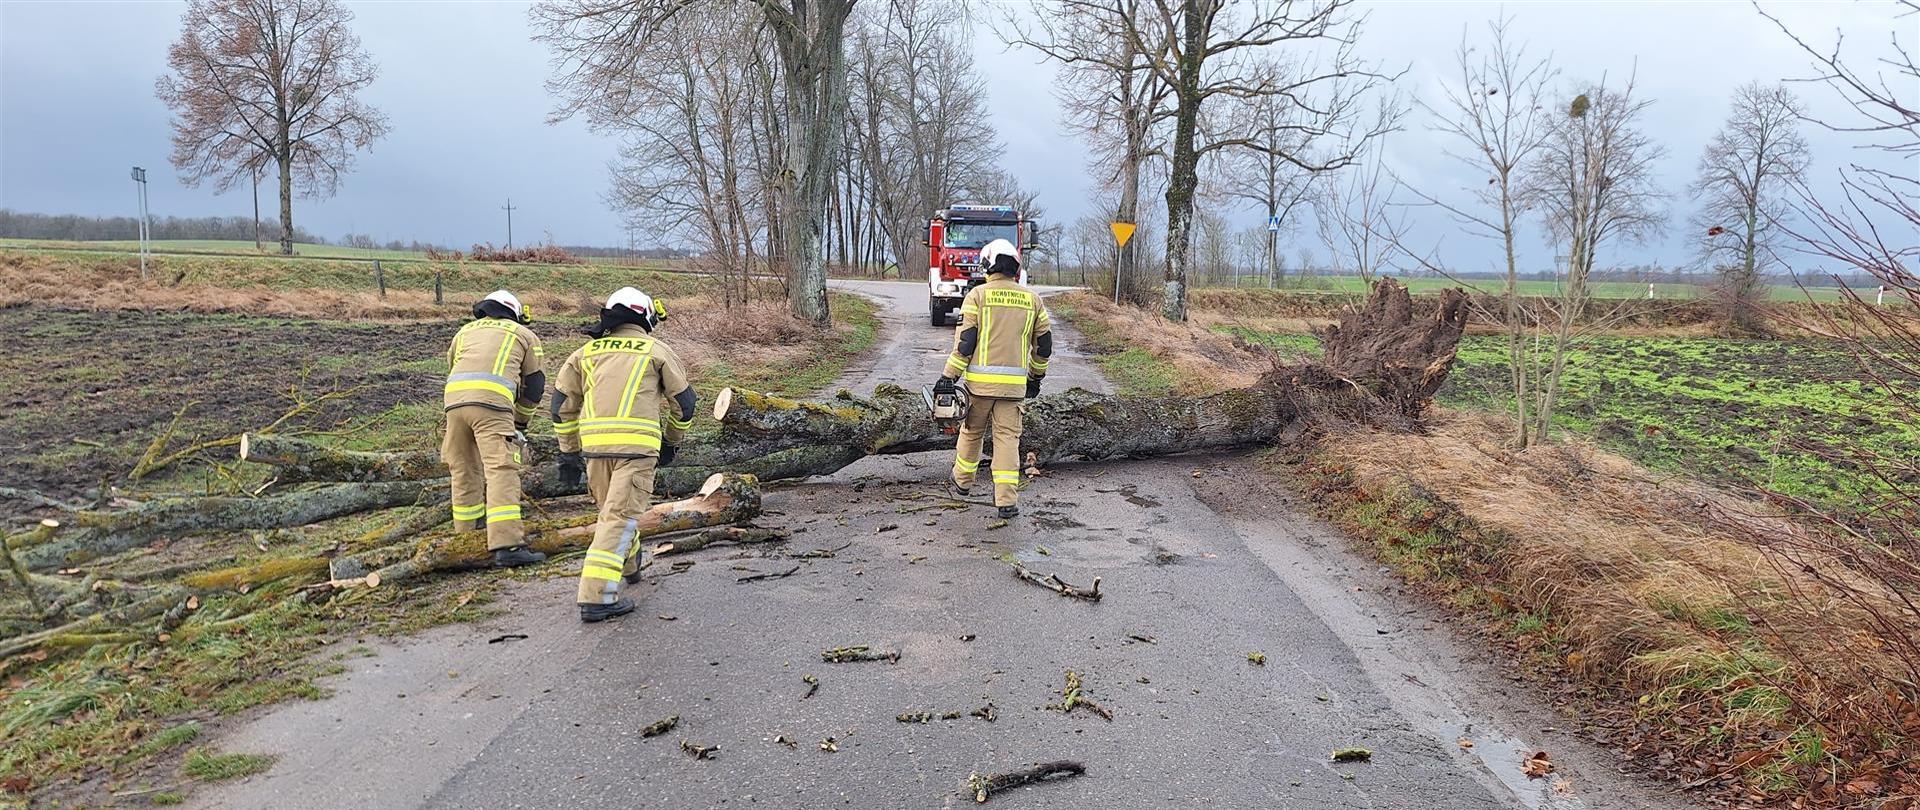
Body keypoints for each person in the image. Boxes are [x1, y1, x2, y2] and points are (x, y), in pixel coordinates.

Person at [552, 286, 697, 623]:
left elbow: (561, 407)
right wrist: (672, 442)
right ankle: (596, 597)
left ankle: (631, 563)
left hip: (596, 451)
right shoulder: (656, 350)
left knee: (612, 514)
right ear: (646, 315)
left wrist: (568, 454)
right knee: (618, 518)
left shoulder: (584, 353)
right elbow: (685, 404)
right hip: (636, 451)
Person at [935, 238, 1053, 518]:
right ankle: (1006, 501)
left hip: (979, 388)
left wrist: (948, 376)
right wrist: (1035, 378)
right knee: (1008, 441)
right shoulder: (1032, 300)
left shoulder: (978, 296)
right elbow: (1044, 346)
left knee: (971, 433)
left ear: (987, 265)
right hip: (1013, 391)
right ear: (1015, 268)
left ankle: (962, 483)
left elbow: (965, 344)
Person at [442, 290, 548, 567]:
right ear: (514, 312)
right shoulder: (523, 335)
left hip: (454, 404)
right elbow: (535, 385)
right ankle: (507, 544)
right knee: (501, 469)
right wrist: (521, 422)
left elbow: (453, 365)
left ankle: (466, 539)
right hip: (492, 405)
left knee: (464, 468)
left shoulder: (463, 332)